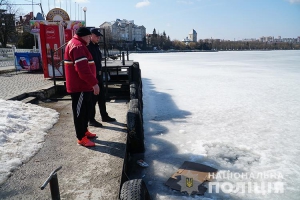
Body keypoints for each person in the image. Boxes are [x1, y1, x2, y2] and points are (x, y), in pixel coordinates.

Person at [64, 27, 100, 147]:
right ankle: (81, 137)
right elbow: (82, 70)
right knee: (79, 112)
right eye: (90, 36)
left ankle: (84, 131)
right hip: (79, 86)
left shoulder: (77, 44)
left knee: (85, 110)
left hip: (84, 86)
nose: (90, 39)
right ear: (85, 36)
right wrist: (94, 83)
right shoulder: (78, 46)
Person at [87, 28, 116, 127]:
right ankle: (91, 119)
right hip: (93, 76)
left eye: (99, 36)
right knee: (93, 99)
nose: (98, 37)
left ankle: (104, 115)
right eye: (96, 36)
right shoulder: (88, 47)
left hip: (99, 74)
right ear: (91, 35)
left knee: (102, 97)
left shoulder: (96, 46)